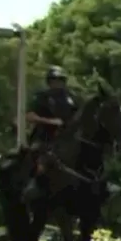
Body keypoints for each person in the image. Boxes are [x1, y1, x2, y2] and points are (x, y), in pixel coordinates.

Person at [21, 66, 80, 203]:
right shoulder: (42, 96)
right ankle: (33, 184)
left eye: (60, 80)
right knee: (40, 158)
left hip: (68, 138)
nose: (58, 83)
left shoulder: (72, 98)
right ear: (49, 81)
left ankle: (98, 183)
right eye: (55, 80)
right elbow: (30, 116)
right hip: (45, 137)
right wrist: (51, 122)